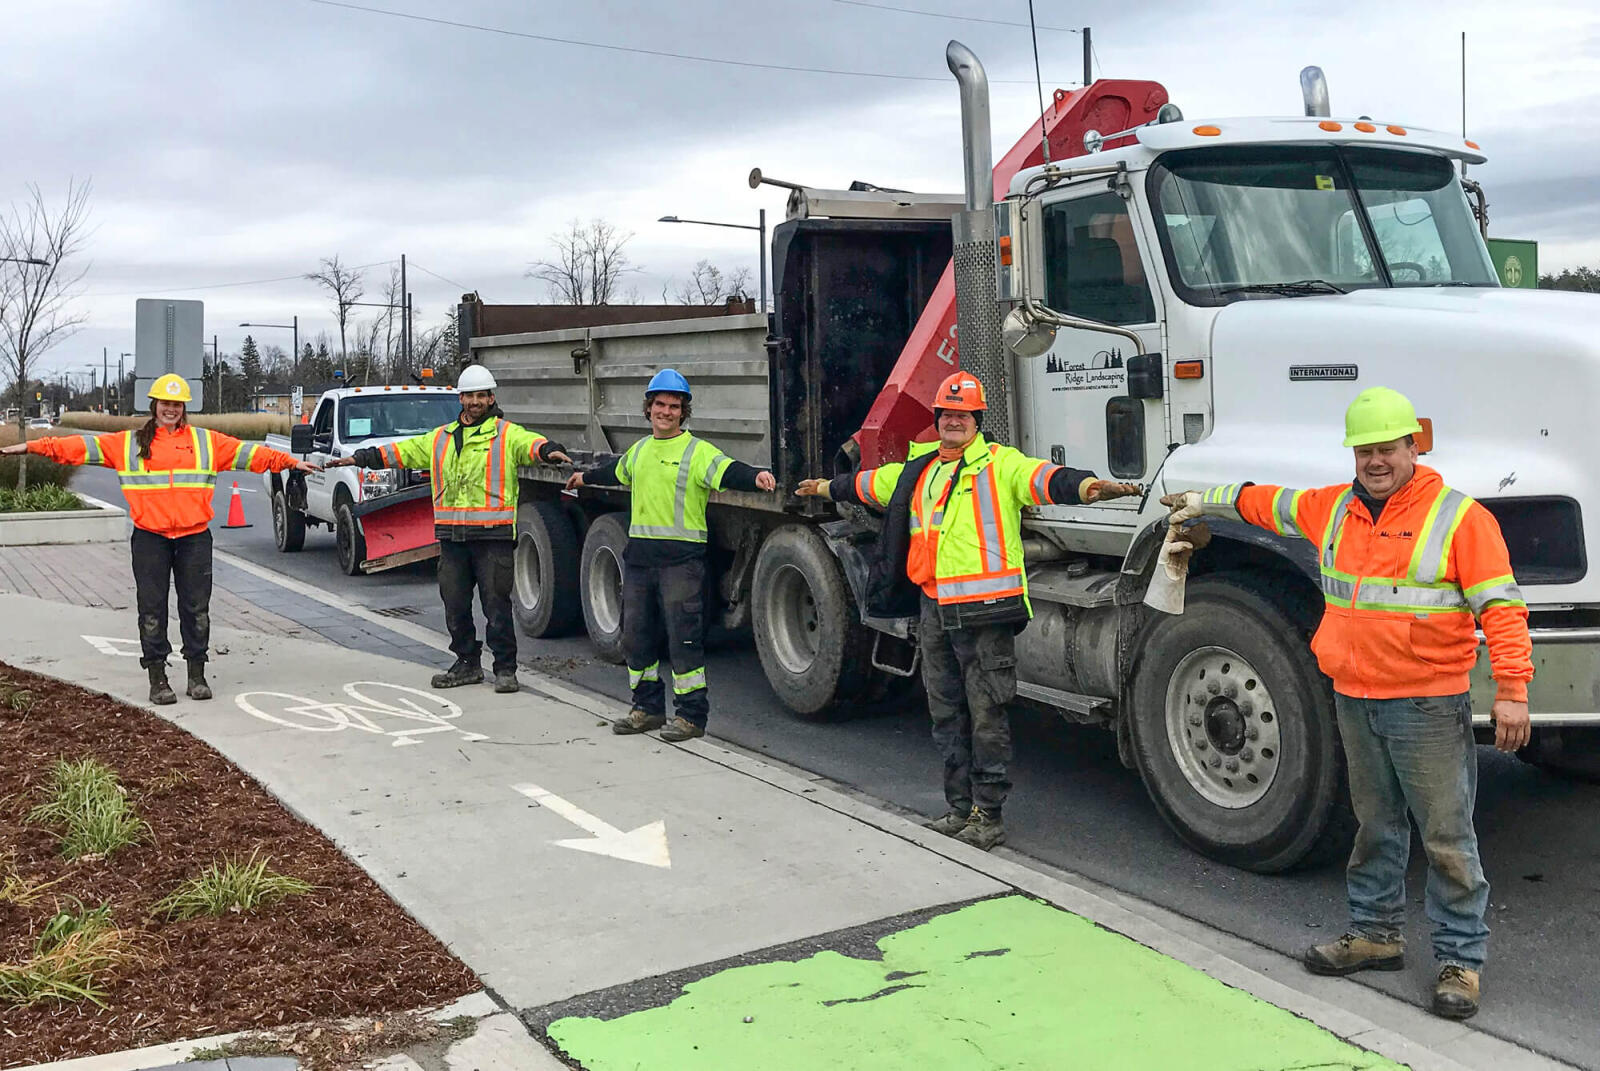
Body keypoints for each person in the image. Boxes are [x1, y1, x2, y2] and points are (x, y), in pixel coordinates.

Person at [1162, 385, 1532, 1021]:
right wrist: (1204, 499)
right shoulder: (1331, 509)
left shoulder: (1460, 519)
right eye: (1364, 451)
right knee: (1376, 825)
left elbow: (1501, 609)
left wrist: (1514, 692)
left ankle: (1460, 961)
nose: (1374, 462)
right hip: (1355, 697)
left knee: (1446, 836)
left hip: (1426, 704)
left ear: (1412, 446)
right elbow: (1264, 503)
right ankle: (1376, 935)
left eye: (1387, 448)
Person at [796, 370, 1140, 850]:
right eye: (947, 415)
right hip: (935, 608)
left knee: (987, 712)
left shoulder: (1001, 466)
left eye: (963, 415)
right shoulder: (920, 471)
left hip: (984, 613)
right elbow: (869, 484)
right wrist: (822, 488)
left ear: (978, 420)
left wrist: (1089, 487)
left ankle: (988, 813)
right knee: (946, 711)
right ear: (937, 420)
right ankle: (959, 808)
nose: (954, 422)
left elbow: (1045, 479)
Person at [3, 374, 317, 704]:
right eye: (165, 404)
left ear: (184, 408)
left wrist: (291, 462)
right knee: (151, 610)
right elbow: (76, 448)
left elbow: (251, 455)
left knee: (197, 610)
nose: (171, 410)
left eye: (177, 405)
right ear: (154, 406)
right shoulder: (128, 443)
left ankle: (196, 675)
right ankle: (158, 679)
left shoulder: (206, 443)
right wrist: (32, 446)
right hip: (150, 538)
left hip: (194, 538)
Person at [328, 364, 569, 694]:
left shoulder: (506, 433)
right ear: (461, 398)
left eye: (481, 396)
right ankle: (467, 664)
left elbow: (531, 444)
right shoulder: (440, 438)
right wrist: (360, 458)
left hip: (493, 537)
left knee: (496, 606)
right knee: (454, 604)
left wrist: (548, 450)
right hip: (452, 538)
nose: (475, 401)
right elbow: (400, 452)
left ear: (491, 398)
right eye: (469, 395)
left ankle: (505, 669)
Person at [566, 369, 776, 742]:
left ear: (683, 412)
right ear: (649, 409)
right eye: (660, 404)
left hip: (682, 563)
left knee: (684, 640)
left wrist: (756, 477)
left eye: (674, 406)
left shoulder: (697, 452)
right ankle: (645, 709)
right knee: (636, 637)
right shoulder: (641, 450)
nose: (666, 411)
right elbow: (615, 472)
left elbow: (727, 470)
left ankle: (691, 717)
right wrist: (584, 477)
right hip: (641, 562)